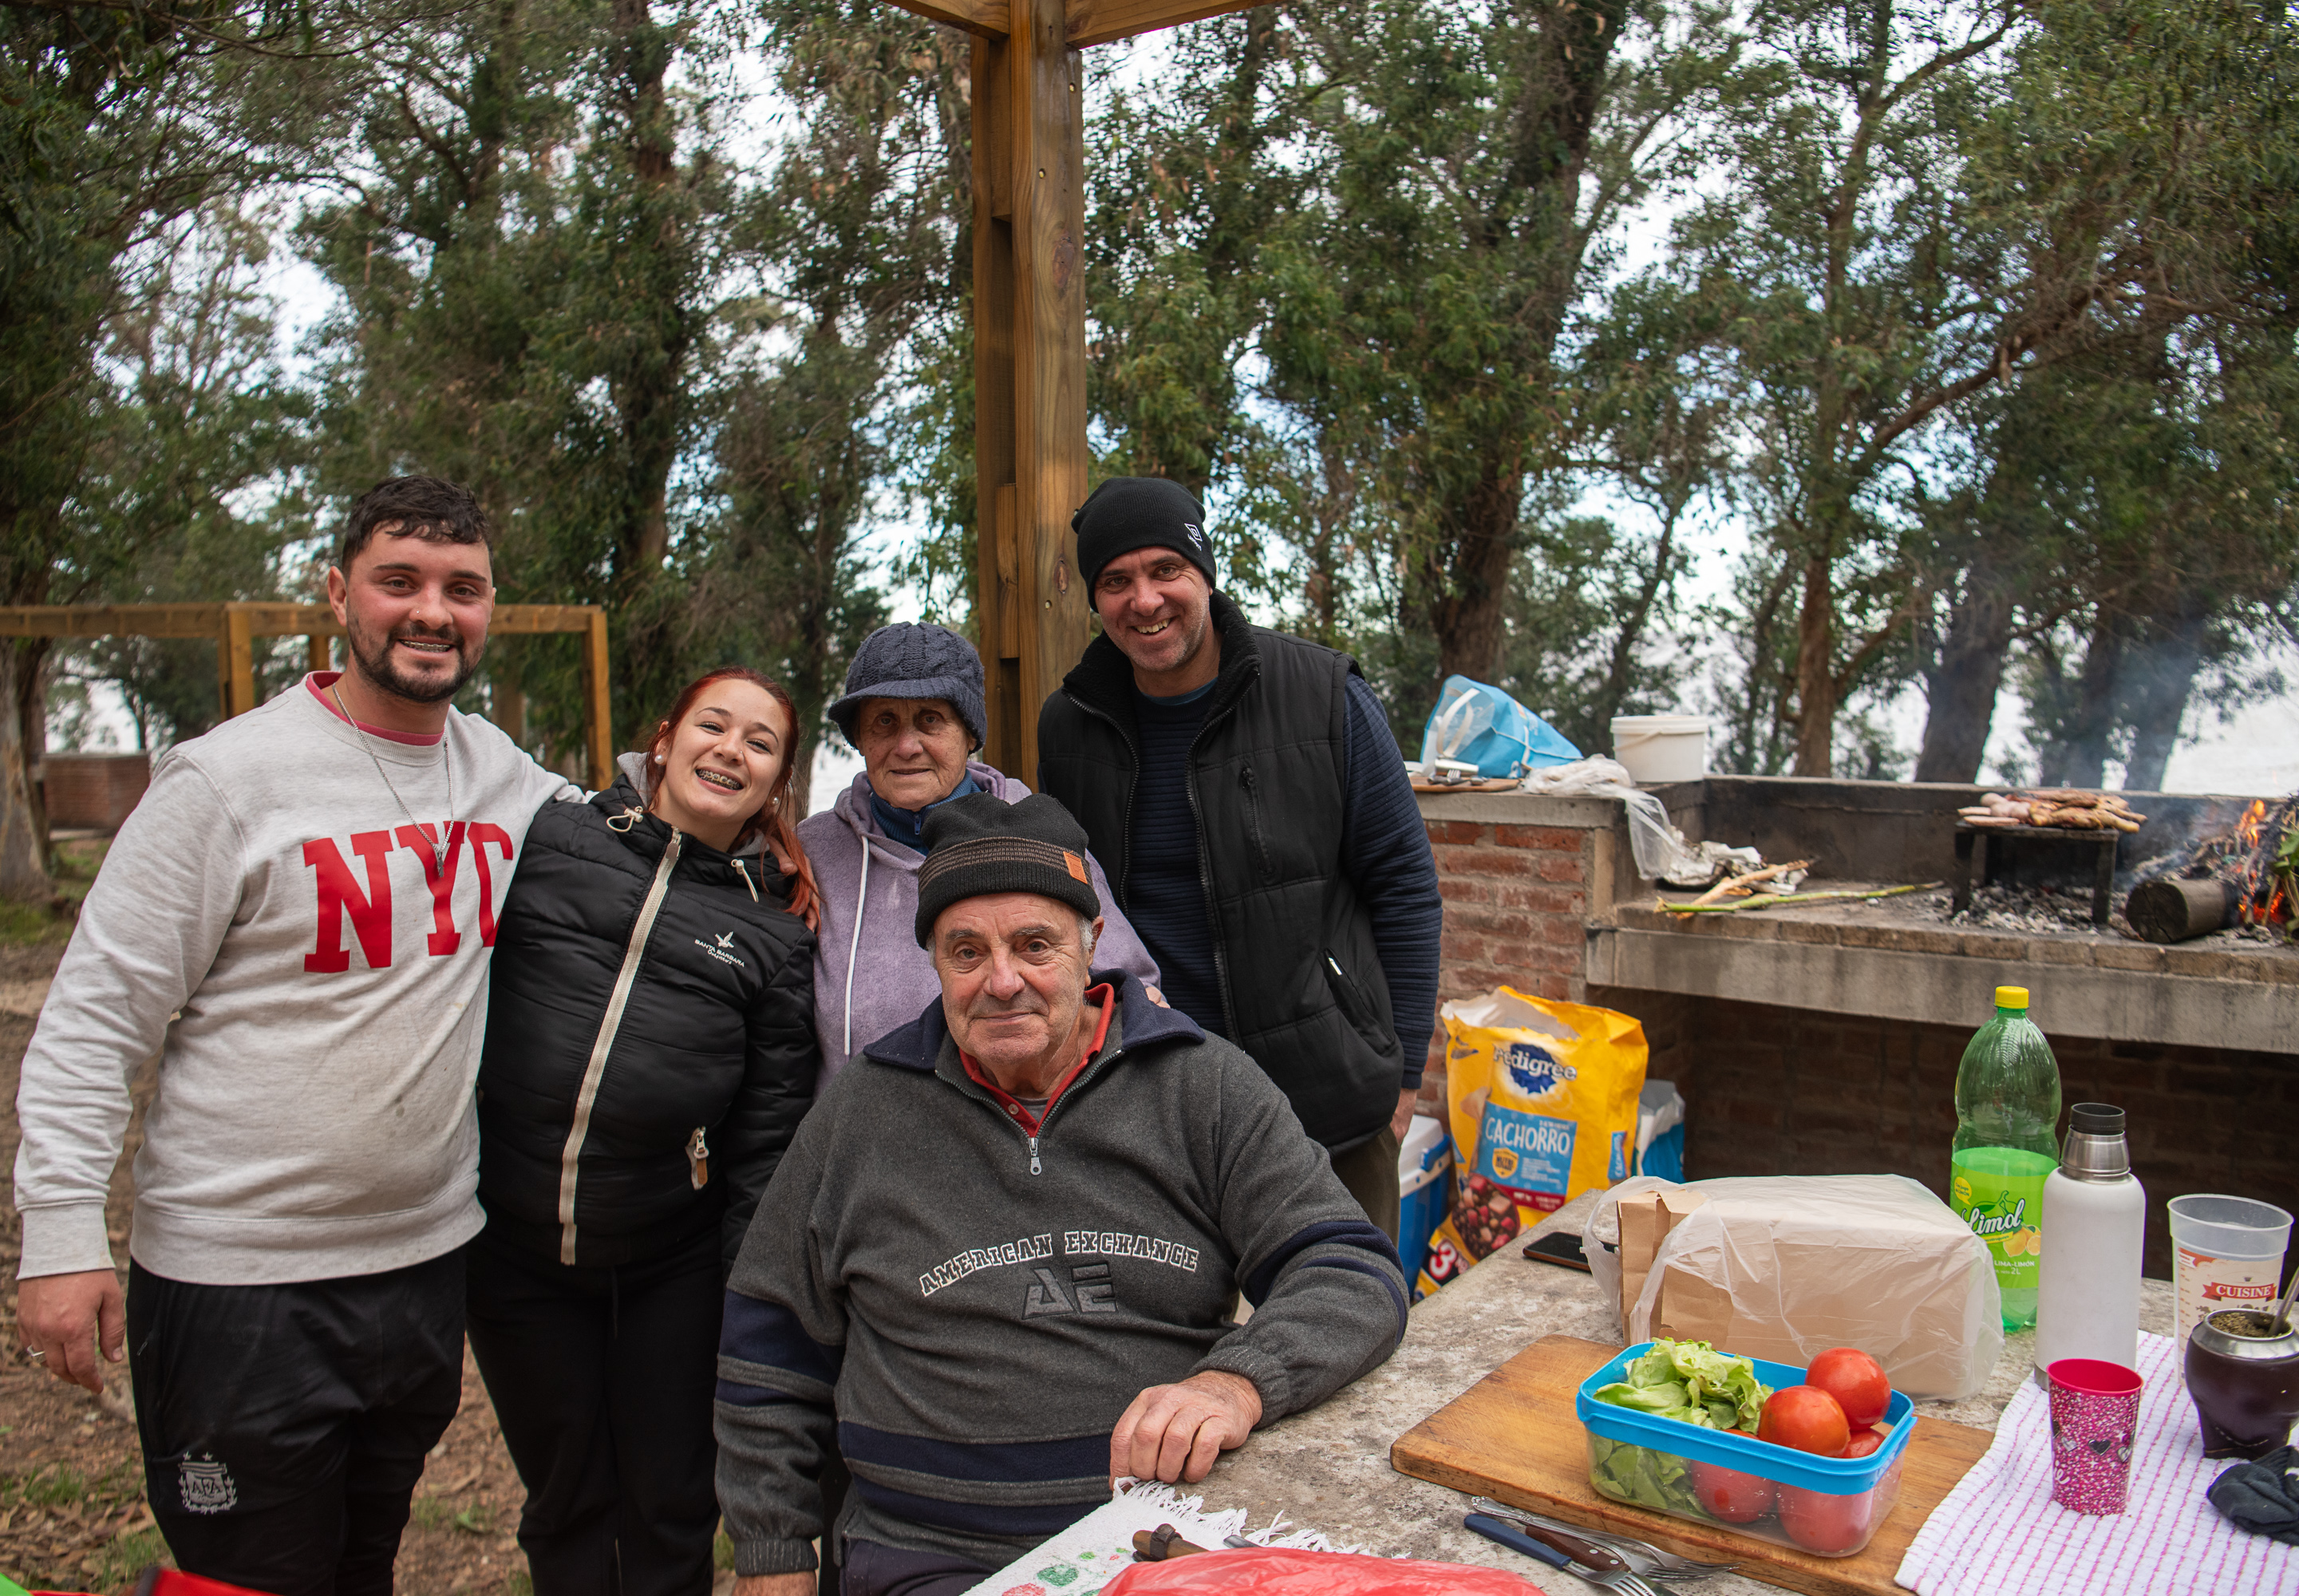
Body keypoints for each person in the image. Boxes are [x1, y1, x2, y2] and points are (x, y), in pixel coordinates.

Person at [12, 476, 577, 1595]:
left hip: (421, 1265)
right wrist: (61, 1239)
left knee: (361, 1562)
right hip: (240, 1283)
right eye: (399, 581)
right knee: (246, 1579)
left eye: (462, 589)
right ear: (338, 594)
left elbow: (641, 845)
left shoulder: (503, 775)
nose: (431, 612)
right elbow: (93, 1018)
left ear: (490, 610)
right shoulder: (226, 782)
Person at [714, 794, 1408, 1596]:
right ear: (932, 961)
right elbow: (767, 1345)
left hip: (1162, 1537)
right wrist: (774, 1552)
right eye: (966, 950)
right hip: (930, 1554)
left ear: (1092, 943)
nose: (1001, 980)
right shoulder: (863, 1112)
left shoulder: (1200, 1083)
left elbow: (1350, 1268)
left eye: (1034, 944)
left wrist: (1235, 1380)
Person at [469, 666, 822, 1594]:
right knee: (565, 1499)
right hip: (514, 1251)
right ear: (664, 739)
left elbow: (765, 1138)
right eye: (714, 724)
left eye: (759, 742)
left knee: (670, 1505)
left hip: (670, 1262)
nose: (730, 749)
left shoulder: (776, 933)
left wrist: (751, 1297)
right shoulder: (551, 835)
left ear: (776, 782)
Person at [1036, 476, 1444, 1238]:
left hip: (1328, 1101)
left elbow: (1405, 888)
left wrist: (1405, 1072)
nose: (1145, 600)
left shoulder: (1323, 695)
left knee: (1346, 1330)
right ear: (1096, 601)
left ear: (1205, 573)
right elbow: (1072, 908)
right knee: (1170, 1347)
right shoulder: (1069, 725)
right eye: (1116, 581)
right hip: (1152, 1106)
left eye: (1166, 570)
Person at [797, 621, 1161, 1078]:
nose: (907, 746)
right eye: (884, 721)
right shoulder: (814, 852)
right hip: (858, 1133)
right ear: (860, 738)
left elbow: (1135, 992)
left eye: (931, 719)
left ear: (970, 734)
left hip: (1012, 1133)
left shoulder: (1039, 834)